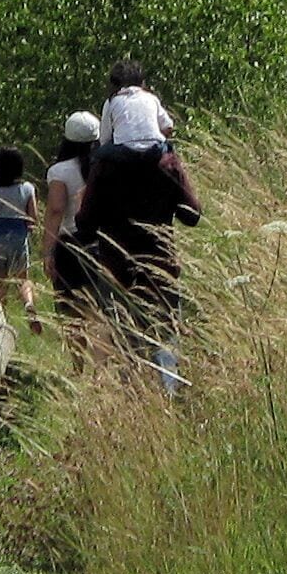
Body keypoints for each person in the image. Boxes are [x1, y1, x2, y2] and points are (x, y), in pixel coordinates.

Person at [76, 118, 201, 391]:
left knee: (127, 340)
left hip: (118, 269)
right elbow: (191, 215)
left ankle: (139, 408)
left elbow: (84, 224)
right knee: (165, 336)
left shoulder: (105, 167)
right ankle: (168, 400)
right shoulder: (168, 163)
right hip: (161, 267)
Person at [40, 110, 100, 333]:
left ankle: (77, 366)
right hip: (100, 242)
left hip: (70, 246)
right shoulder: (104, 166)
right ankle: (101, 363)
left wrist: (47, 252)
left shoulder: (60, 171)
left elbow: (56, 210)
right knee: (98, 309)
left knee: (71, 311)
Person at [0, 146, 38, 316]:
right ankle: (28, 303)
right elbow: (33, 218)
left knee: (0, 279)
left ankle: (1, 315)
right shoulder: (28, 188)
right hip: (19, 235)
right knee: (23, 278)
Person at [97, 58, 174, 165]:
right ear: (142, 82)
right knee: (172, 157)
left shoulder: (111, 102)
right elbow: (168, 127)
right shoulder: (151, 98)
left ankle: (89, 182)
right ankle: (182, 181)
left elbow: (104, 139)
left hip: (124, 153)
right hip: (154, 151)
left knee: (98, 155)